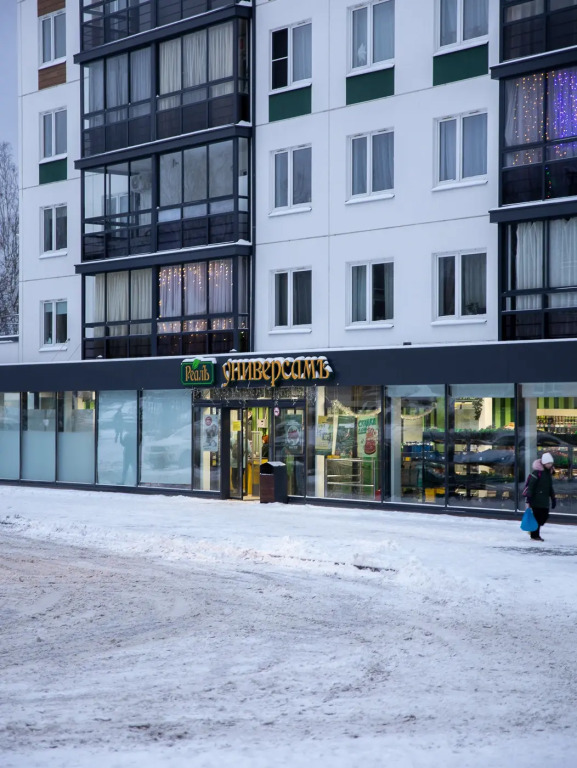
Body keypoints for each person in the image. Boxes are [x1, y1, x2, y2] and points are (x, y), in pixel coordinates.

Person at [525, 451, 556, 541]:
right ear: (544, 463)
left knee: (544, 517)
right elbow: (531, 486)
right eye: (548, 463)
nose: (550, 465)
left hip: (544, 500)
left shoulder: (548, 473)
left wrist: (553, 498)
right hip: (536, 500)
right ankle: (535, 536)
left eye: (551, 463)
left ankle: (533, 532)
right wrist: (529, 497)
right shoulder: (537, 473)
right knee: (537, 518)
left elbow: (550, 487)